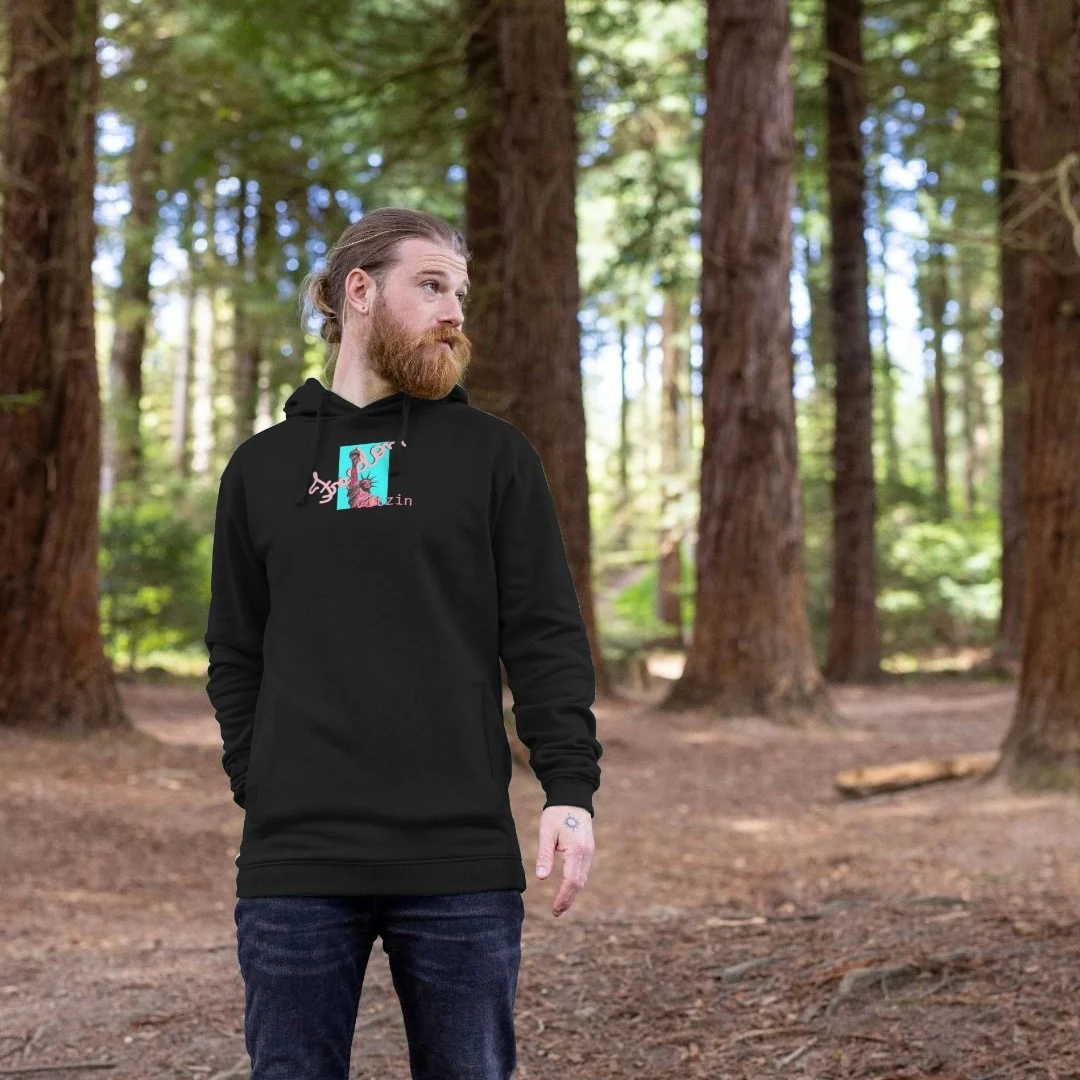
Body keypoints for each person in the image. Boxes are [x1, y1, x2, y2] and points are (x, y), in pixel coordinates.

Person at [204, 206, 603, 1080]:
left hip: (459, 856)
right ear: (359, 291)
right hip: (298, 860)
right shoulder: (262, 468)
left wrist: (570, 789)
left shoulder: (493, 457)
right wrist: (259, 781)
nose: (454, 311)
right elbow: (235, 650)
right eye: (430, 285)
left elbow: (544, 635)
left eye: (459, 291)